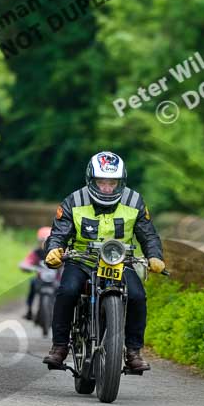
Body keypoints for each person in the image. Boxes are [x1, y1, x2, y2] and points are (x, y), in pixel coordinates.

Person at [42, 151, 165, 372]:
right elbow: (59, 234)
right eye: (102, 182)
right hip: (82, 260)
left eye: (112, 182)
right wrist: (54, 250)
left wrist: (155, 256)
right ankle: (59, 347)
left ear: (121, 181)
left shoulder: (135, 201)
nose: (107, 188)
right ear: (91, 180)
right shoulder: (74, 201)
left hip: (119, 262)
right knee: (67, 290)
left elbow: (148, 235)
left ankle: (133, 352)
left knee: (138, 296)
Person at [20, 226, 52, 320]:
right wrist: (25, 266)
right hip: (40, 279)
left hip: (55, 279)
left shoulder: (56, 252)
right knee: (32, 283)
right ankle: (29, 310)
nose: (44, 244)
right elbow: (27, 261)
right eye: (42, 241)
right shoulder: (36, 253)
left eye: (46, 241)